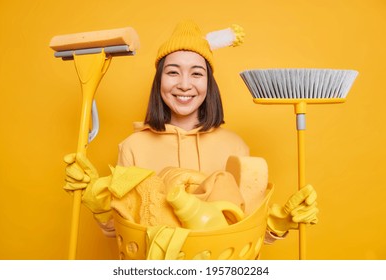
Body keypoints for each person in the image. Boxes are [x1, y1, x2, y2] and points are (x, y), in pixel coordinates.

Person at [64, 20, 318, 244]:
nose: (184, 84)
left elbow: (246, 230)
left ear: (209, 83)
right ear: (159, 82)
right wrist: (97, 202)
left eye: (196, 73)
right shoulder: (133, 146)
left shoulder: (235, 146)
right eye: (173, 72)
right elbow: (120, 229)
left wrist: (279, 223)